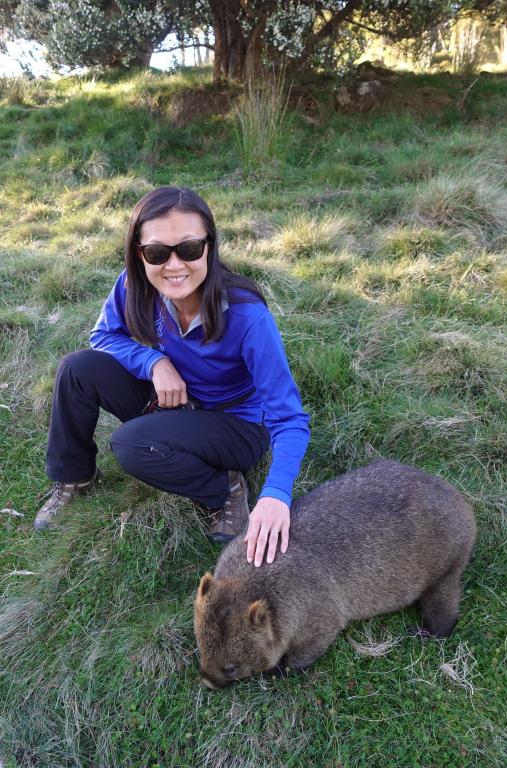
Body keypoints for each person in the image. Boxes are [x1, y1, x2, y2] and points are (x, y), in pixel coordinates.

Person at [35, 186, 310, 567]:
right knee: (78, 368)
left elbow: (290, 420)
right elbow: (103, 336)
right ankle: (75, 476)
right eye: (158, 252)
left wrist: (276, 494)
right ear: (139, 253)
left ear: (210, 247)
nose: (174, 265)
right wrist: (153, 363)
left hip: (235, 425)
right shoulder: (135, 285)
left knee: (132, 444)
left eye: (190, 249)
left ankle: (225, 489)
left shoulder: (248, 318)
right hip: (174, 400)